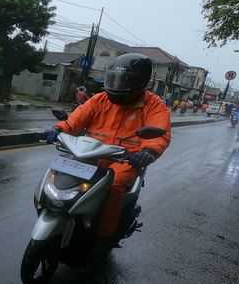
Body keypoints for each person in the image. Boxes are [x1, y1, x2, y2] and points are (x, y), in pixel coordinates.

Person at [44, 53, 171, 242]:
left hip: (126, 159)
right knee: (59, 172)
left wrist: (148, 152)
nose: (118, 85)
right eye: (114, 79)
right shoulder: (99, 99)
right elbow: (74, 121)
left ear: (141, 82)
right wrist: (57, 129)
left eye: (125, 81)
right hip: (89, 153)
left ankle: (105, 235)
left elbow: (160, 132)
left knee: (115, 185)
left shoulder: (154, 105)